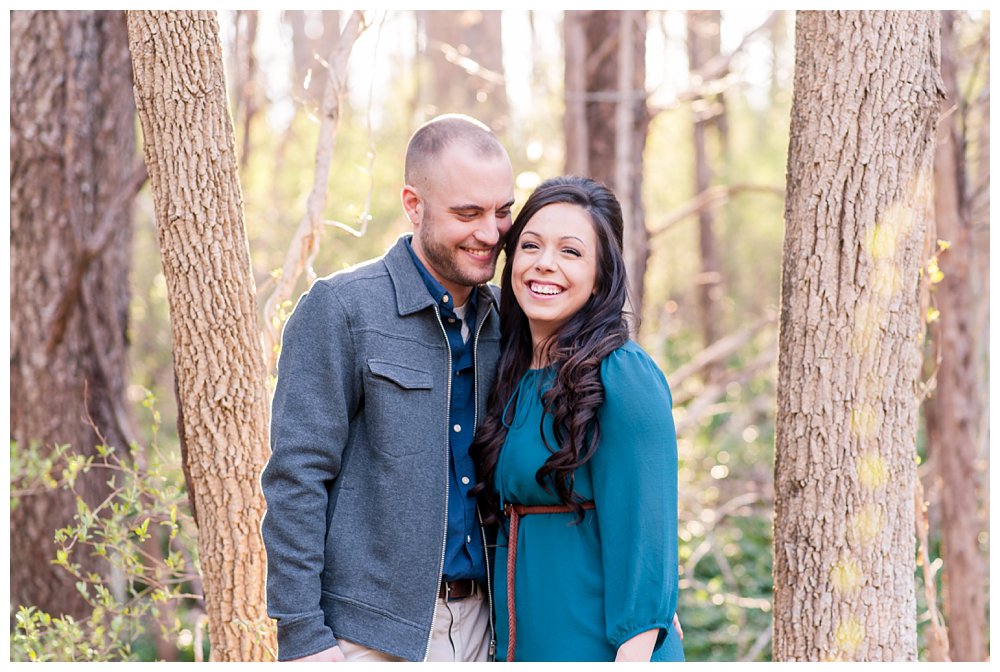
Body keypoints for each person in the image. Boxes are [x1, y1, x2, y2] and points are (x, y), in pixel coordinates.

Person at [260, 114, 516, 662]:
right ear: (414, 204)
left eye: (503, 212)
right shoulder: (342, 309)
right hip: (365, 638)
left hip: (488, 631)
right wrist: (303, 636)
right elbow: (297, 478)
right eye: (468, 213)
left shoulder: (509, 325)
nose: (491, 233)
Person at [470, 176, 684, 662]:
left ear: (601, 274)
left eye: (571, 251)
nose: (545, 263)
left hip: (604, 649)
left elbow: (646, 547)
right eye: (530, 245)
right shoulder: (510, 373)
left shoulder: (623, 376)